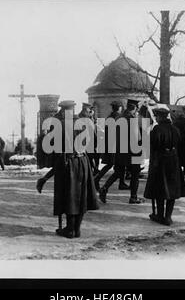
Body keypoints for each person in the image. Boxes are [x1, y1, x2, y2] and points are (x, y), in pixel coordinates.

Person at [52, 100, 99, 238]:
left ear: (64, 110)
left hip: (68, 162)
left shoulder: (59, 124)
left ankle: (70, 229)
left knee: (69, 195)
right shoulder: (84, 122)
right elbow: (92, 142)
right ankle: (76, 229)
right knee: (81, 195)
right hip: (83, 161)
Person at [144, 107, 185, 225]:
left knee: (160, 189)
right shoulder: (175, 129)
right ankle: (168, 217)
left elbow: (151, 147)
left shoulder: (157, 129)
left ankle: (159, 215)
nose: (156, 118)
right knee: (171, 189)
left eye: (157, 116)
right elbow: (180, 145)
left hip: (160, 162)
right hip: (173, 161)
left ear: (160, 117)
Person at [99, 99, 144, 204]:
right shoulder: (132, 119)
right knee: (135, 174)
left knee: (118, 172)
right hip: (131, 151)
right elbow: (137, 138)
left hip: (119, 151)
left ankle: (104, 188)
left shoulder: (119, 117)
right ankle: (133, 197)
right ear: (135, 108)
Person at [93, 100, 129, 191]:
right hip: (114, 146)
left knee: (111, 165)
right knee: (117, 165)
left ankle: (121, 182)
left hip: (109, 144)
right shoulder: (118, 117)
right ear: (120, 108)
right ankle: (96, 180)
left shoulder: (110, 116)